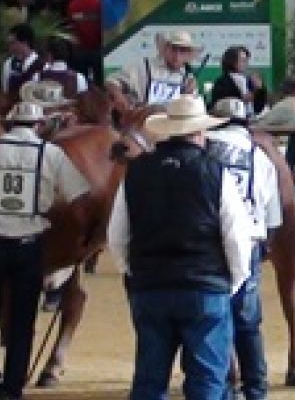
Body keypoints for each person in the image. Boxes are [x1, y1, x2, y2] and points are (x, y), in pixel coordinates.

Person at [0, 100, 90, 400]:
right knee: (23, 320)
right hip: (29, 246)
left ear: (9, 124)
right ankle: (12, 388)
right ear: (38, 126)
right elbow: (78, 192)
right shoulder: (51, 153)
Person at [107, 96, 252, 400]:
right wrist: (234, 280)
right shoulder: (216, 172)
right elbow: (236, 237)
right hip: (205, 287)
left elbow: (117, 235)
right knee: (207, 382)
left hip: (150, 286)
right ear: (200, 132)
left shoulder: (136, 172)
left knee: (149, 380)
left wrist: (131, 271)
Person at [206, 98, 282, 400]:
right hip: (247, 240)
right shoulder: (259, 156)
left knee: (213, 319)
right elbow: (272, 213)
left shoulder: (204, 149)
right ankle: (255, 389)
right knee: (248, 322)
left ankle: (223, 385)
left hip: (207, 243)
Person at [107, 30, 201, 109]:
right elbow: (111, 82)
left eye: (182, 51)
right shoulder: (142, 66)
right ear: (165, 49)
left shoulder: (188, 79)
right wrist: (119, 97)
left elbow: (191, 109)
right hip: (139, 124)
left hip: (172, 126)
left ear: (188, 55)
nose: (177, 56)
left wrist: (188, 98)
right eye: (174, 49)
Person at [208, 46, 267, 118]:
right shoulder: (222, 82)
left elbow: (259, 107)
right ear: (232, 61)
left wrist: (259, 89)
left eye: (246, 60)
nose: (246, 63)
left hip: (253, 118)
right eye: (242, 60)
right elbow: (222, 105)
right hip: (231, 121)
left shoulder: (249, 80)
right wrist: (245, 97)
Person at [67, 0, 103, 85]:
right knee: (99, 82)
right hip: (97, 48)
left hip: (80, 49)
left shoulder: (72, 5)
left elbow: (71, 27)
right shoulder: (99, 2)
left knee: (82, 83)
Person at [1, 23, 42, 95]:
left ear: (25, 42)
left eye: (13, 43)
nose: (10, 48)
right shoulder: (9, 64)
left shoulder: (43, 66)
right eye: (9, 44)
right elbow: (5, 90)